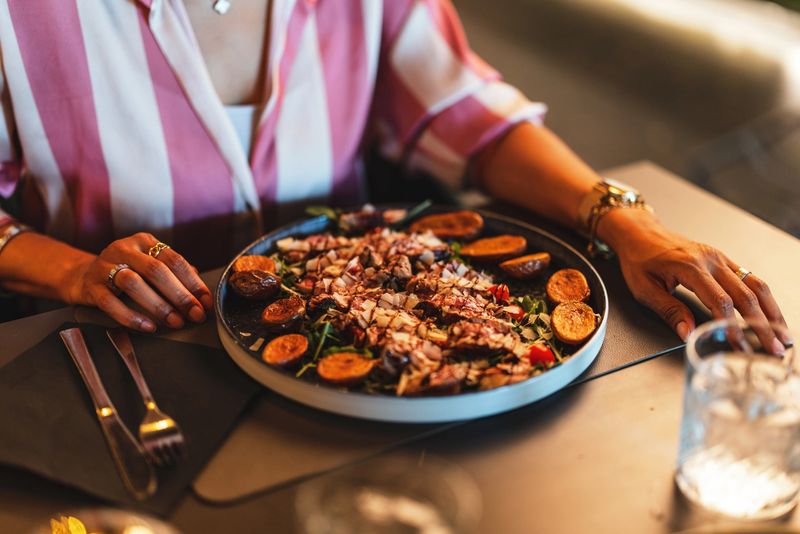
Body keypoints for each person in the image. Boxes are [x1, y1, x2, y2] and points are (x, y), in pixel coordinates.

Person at [0, 0, 789, 353]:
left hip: (356, 350)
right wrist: (75, 271)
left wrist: (625, 224)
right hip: (130, 359)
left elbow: (465, 113)